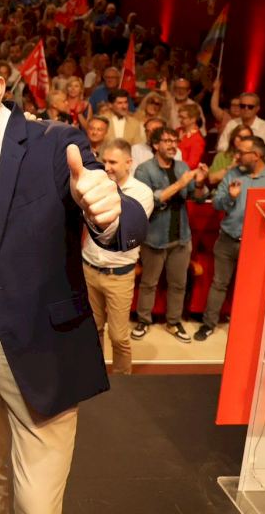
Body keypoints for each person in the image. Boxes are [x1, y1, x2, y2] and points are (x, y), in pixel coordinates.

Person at [0, 40, 148, 513]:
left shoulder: (54, 144)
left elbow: (114, 209)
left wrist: (109, 213)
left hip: (38, 344)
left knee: (36, 502)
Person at [198, 137, 265, 341]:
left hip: (257, 243)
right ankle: (208, 324)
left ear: (256, 155)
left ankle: (247, 328)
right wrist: (231, 197)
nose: (237, 156)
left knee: (252, 287)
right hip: (228, 239)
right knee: (219, 284)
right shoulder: (232, 174)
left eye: (242, 152)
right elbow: (217, 204)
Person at [83, 140, 154, 374]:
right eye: (104, 161)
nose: (107, 167)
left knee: (119, 336)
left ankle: (124, 381)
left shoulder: (142, 193)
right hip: (89, 269)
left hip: (119, 276)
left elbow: (122, 230)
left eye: (113, 162)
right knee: (92, 330)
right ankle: (94, 376)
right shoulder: (96, 185)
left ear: (129, 163)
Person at [132, 128, 208, 343]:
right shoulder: (144, 170)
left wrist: (199, 183)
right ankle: (143, 320)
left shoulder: (182, 167)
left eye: (175, 141)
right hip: (154, 237)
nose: (172, 145)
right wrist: (180, 184)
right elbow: (151, 200)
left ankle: (173, 322)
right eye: (167, 141)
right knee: (149, 283)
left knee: (178, 284)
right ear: (156, 145)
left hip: (181, 236)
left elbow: (198, 197)